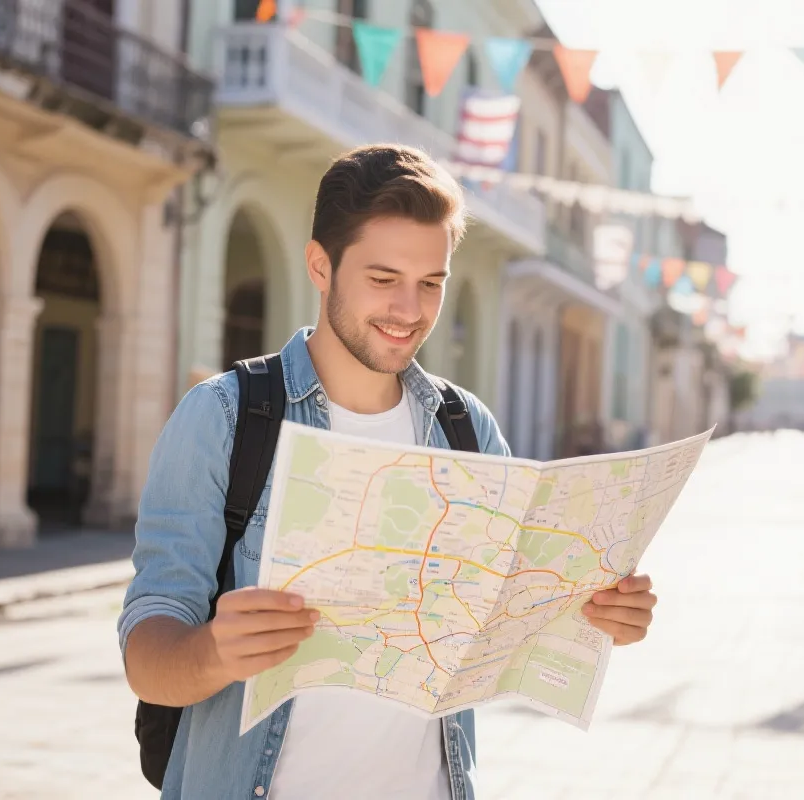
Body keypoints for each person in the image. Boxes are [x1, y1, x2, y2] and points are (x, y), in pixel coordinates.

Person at [116, 144, 661, 800]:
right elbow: (149, 654)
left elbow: (509, 615)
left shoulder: (467, 431)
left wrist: (598, 613)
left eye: (431, 282)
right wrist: (211, 653)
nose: (410, 310)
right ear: (321, 266)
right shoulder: (223, 418)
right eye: (383, 279)